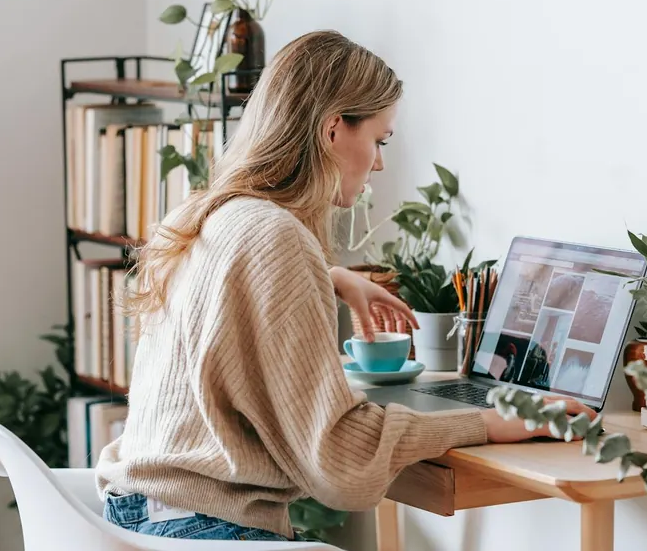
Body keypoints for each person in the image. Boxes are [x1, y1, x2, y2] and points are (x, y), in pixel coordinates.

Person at [94, 30, 595, 542]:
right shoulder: (275, 238)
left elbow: (227, 297)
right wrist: (489, 422)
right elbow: (339, 457)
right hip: (199, 528)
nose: (379, 162)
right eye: (378, 140)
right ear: (333, 130)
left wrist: (332, 277)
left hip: (143, 513)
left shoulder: (212, 213)